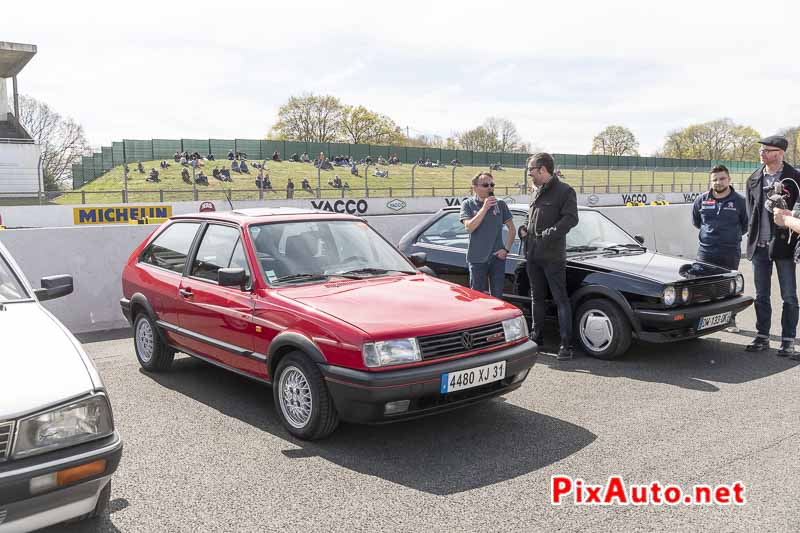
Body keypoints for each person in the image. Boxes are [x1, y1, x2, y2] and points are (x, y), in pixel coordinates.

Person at [518, 153, 578, 360]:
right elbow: (530, 215)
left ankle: (566, 345)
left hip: (553, 255)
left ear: (543, 170)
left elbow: (571, 219)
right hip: (532, 254)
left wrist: (548, 234)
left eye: (531, 171)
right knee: (537, 298)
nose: (529, 175)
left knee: (561, 299)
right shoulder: (536, 191)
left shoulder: (565, 191)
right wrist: (524, 228)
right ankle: (537, 336)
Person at [744, 135, 800, 355]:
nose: (762, 153)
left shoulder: (794, 178)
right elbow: (751, 214)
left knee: (789, 295)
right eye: (761, 150)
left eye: (767, 150)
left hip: (784, 246)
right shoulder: (753, 179)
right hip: (759, 247)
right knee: (761, 295)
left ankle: (787, 341)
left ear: (780, 153)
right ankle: (762, 337)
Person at [691, 165, 748, 333]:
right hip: (705, 252)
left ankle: (730, 320)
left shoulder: (740, 201)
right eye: (715, 179)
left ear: (729, 180)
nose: (718, 182)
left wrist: (730, 237)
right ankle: (702, 321)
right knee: (702, 288)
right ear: (710, 181)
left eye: (722, 178)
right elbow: (697, 222)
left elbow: (745, 225)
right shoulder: (701, 200)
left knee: (729, 287)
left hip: (729, 252)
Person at [459, 172, 515, 301]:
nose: (490, 188)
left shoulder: (500, 204)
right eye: (485, 185)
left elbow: (512, 229)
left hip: (497, 258)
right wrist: (484, 208)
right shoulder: (467, 204)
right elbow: (469, 227)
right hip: (477, 259)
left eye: (492, 184)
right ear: (475, 188)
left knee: (497, 298)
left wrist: (506, 250)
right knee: (477, 297)